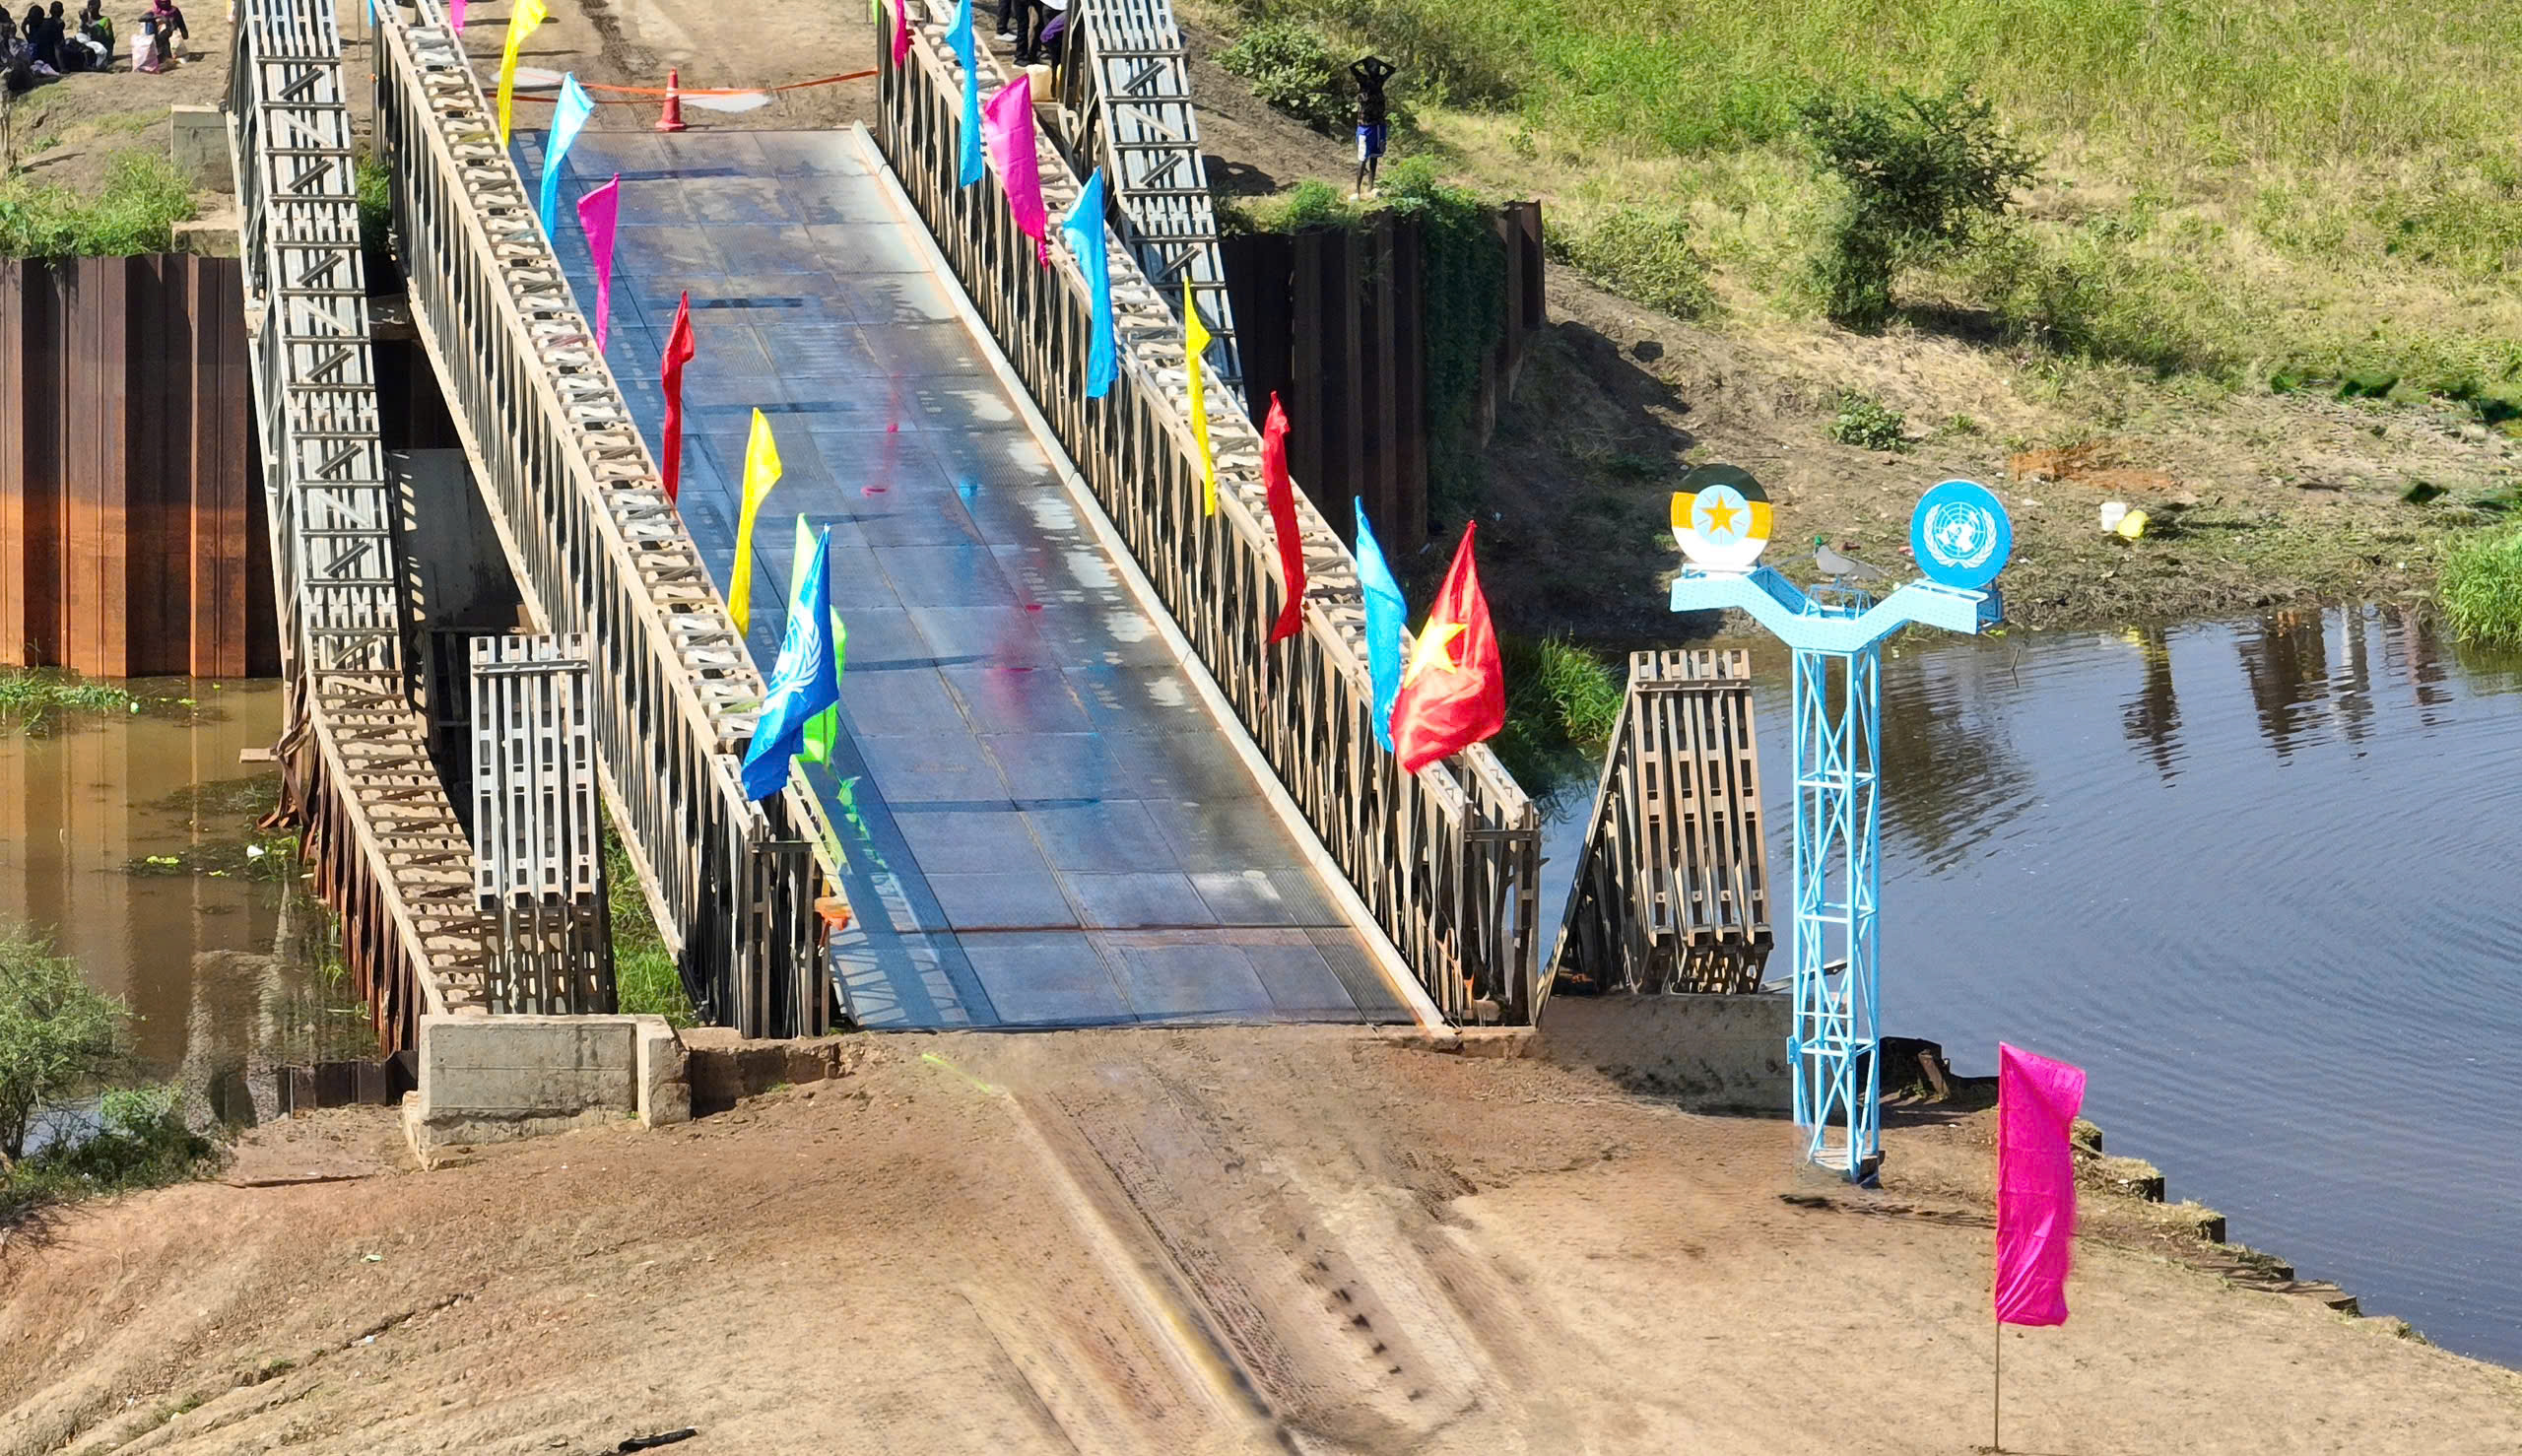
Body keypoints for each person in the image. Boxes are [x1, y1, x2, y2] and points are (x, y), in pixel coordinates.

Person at [1350, 54, 1395, 196]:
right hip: (1365, 126)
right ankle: (1357, 190)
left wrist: (1379, 62)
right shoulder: (1363, 80)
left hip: (1378, 125)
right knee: (1363, 158)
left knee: (1374, 156)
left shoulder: (1379, 80)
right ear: (1368, 68)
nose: (1375, 69)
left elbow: (1392, 69)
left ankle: (1370, 186)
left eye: (1376, 67)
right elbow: (1351, 67)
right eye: (1372, 66)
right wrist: (1364, 60)